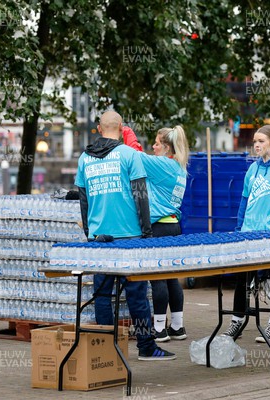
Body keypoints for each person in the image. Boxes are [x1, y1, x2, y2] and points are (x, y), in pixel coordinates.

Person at [75, 110, 175, 361]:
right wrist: (147, 233)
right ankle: (146, 347)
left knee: (102, 295)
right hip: (130, 237)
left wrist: (90, 232)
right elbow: (141, 195)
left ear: (99, 128)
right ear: (121, 128)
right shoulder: (131, 155)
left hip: (100, 238)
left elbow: (83, 200)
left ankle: (105, 350)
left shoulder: (84, 158)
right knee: (137, 296)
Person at [222, 124, 270, 342]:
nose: (256, 145)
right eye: (255, 141)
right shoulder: (253, 169)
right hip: (249, 233)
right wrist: (239, 230)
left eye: (261, 141)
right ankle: (236, 321)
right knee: (242, 279)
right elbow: (244, 203)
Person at [122, 125, 189, 342]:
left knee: (157, 278)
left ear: (166, 147)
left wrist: (125, 130)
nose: (154, 146)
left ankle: (159, 329)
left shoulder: (163, 164)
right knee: (171, 278)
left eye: (157, 143)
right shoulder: (178, 166)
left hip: (158, 227)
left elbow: (134, 154)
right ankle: (177, 326)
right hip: (173, 226)